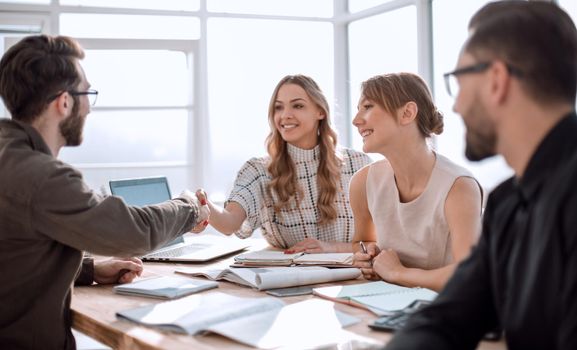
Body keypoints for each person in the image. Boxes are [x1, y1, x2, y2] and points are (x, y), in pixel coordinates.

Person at [385, 1, 577, 349]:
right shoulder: (507, 202)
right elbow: (446, 318)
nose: (455, 106)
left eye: (458, 80)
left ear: (496, 81)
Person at [0, 35, 210, 349]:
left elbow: (14, 257)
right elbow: (132, 231)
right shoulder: (42, 177)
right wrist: (190, 205)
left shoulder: (8, 155)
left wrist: (87, 269)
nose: (89, 108)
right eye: (88, 93)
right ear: (65, 102)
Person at [197, 75, 372, 253]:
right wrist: (202, 206)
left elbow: (382, 243)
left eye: (298, 106)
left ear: (320, 112)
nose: (285, 115)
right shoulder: (258, 170)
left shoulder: (358, 164)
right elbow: (230, 223)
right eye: (278, 107)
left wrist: (331, 248)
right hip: (289, 277)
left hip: (354, 278)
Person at [350, 73, 482, 292]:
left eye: (368, 106)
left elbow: (469, 274)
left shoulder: (459, 187)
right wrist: (367, 256)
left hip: (446, 309)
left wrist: (397, 273)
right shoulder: (362, 183)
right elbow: (361, 241)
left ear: (407, 113)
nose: (356, 120)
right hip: (384, 300)